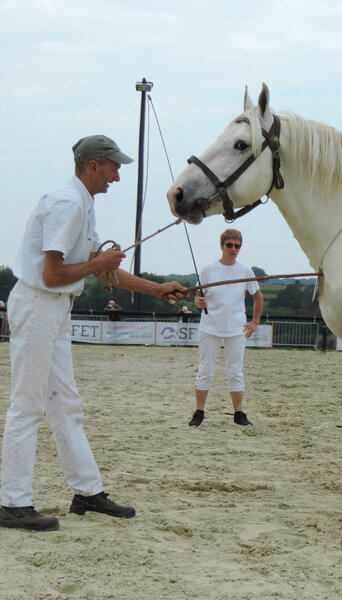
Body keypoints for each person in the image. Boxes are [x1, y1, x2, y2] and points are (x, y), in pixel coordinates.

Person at [0, 135, 187, 532]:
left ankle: (86, 491)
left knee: (66, 404)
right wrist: (98, 261)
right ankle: (12, 503)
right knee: (27, 406)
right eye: (114, 167)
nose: (117, 175)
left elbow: (99, 269)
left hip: (53, 308)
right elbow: (53, 274)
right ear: (93, 166)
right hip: (38, 304)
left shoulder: (82, 203)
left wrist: (157, 288)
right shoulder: (68, 203)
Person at [189, 229, 263, 428]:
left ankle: (238, 413)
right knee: (206, 370)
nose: (233, 249)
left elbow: (257, 296)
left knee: (235, 372)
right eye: (229, 245)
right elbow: (198, 296)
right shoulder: (208, 270)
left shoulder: (246, 270)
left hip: (236, 329)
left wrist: (255, 321)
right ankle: (199, 412)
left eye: (237, 246)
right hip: (209, 327)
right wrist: (198, 302)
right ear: (222, 245)